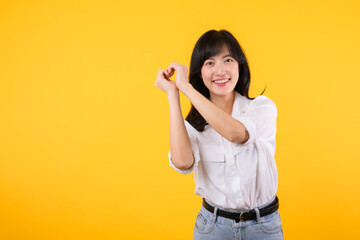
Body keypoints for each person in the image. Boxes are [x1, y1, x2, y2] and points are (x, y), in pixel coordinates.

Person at [154, 29, 284, 240]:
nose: (220, 70)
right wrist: (173, 95)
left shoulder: (261, 108)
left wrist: (187, 88)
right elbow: (182, 162)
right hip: (212, 229)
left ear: (239, 65)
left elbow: (236, 133)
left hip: (263, 227)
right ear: (199, 73)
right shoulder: (194, 126)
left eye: (228, 60)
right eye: (209, 63)